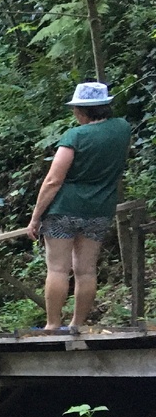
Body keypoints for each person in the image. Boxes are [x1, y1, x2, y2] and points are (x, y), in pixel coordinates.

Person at [26, 82, 132, 332]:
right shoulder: (122, 129)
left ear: (82, 111)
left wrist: (35, 218)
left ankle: (52, 325)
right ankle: (77, 324)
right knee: (85, 270)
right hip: (99, 210)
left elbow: (53, 180)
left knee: (58, 268)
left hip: (65, 209)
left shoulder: (75, 136)